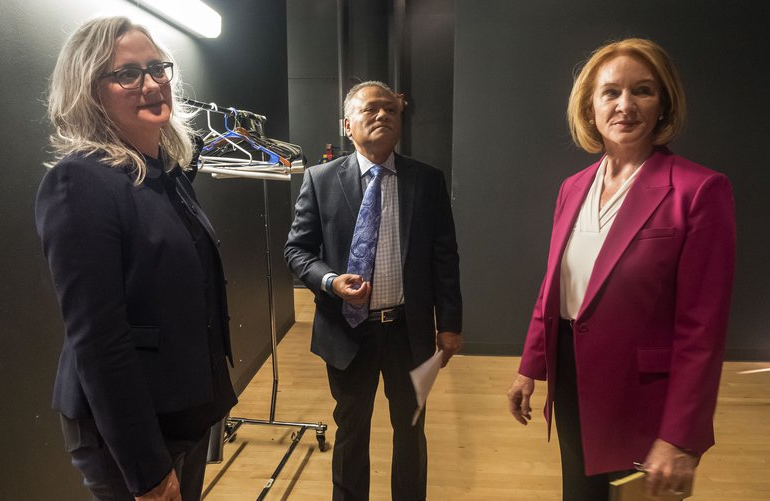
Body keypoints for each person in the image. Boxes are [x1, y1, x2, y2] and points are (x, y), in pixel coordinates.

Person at [507, 38, 735, 500]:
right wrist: (530, 366)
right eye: (611, 92)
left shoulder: (698, 190)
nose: (625, 105)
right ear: (590, 107)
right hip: (572, 380)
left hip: (642, 397)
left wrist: (679, 436)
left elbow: (702, 329)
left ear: (662, 104)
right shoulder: (573, 187)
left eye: (642, 91)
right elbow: (556, 284)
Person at [35, 17, 236, 501]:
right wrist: (147, 470)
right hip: (130, 432)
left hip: (183, 411)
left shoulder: (165, 173)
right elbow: (99, 340)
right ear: (89, 91)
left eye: (156, 68)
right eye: (127, 74)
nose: (150, 84)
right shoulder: (79, 182)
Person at [285, 81, 463, 500]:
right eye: (370, 109)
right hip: (347, 331)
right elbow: (297, 250)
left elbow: (445, 258)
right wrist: (330, 281)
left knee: (412, 428)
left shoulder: (428, 181)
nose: (383, 115)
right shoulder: (320, 180)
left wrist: (450, 324)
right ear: (348, 125)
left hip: (409, 331)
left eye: (391, 109)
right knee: (351, 430)